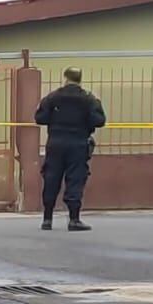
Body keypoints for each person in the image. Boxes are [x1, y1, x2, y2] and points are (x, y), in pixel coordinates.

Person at [35, 67, 106, 232]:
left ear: (65, 78)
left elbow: (40, 118)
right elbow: (99, 120)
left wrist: (56, 118)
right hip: (78, 144)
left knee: (51, 178)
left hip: (56, 143)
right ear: (80, 79)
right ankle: (74, 220)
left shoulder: (53, 97)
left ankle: (47, 219)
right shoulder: (88, 99)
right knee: (75, 179)